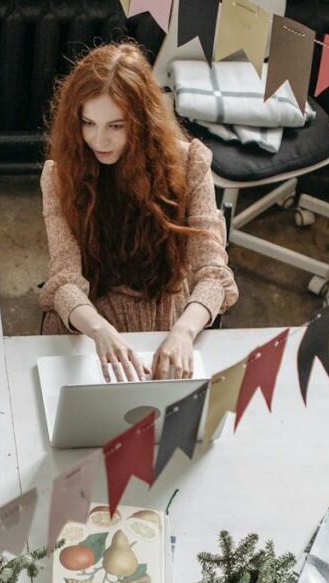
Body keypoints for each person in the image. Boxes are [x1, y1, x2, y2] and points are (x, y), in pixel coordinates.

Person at [41, 42, 237, 382]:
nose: (99, 139)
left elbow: (212, 271)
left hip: (168, 318)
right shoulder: (60, 176)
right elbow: (64, 277)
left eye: (116, 126)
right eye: (88, 123)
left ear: (143, 121)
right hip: (88, 320)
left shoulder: (191, 163)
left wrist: (184, 333)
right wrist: (100, 331)